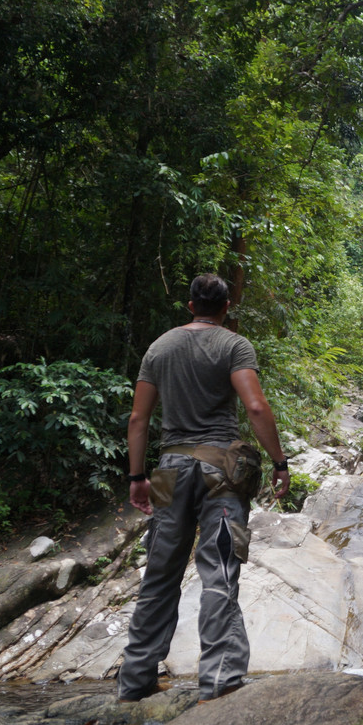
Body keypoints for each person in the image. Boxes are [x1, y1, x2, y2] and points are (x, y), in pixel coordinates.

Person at [117, 273, 290, 703]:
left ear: (191, 305)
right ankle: (219, 680)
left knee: (158, 575)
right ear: (226, 307)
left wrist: (137, 477)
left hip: (168, 471)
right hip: (222, 472)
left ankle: (134, 682)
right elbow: (254, 405)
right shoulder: (234, 346)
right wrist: (279, 462)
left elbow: (138, 420)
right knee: (219, 573)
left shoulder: (159, 347)